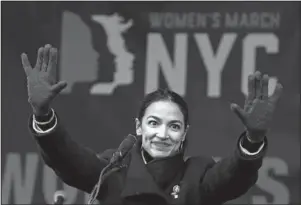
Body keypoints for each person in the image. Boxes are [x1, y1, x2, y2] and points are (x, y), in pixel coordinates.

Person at [21, 44, 283, 205]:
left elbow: (233, 176)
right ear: (139, 127)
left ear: (184, 134)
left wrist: (253, 139)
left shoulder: (198, 175)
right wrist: (43, 115)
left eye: (174, 126)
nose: (162, 134)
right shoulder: (112, 170)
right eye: (154, 123)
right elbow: (67, 158)